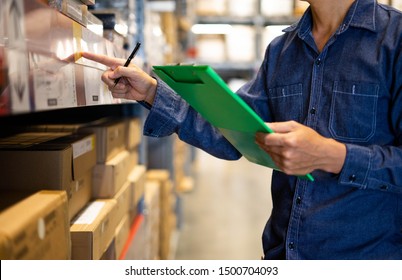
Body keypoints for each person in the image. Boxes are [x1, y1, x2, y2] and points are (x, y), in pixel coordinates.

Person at [82, 0, 402, 259]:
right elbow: (232, 133)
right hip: (283, 254)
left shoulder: (394, 39)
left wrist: (333, 155)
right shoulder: (282, 50)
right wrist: (151, 91)